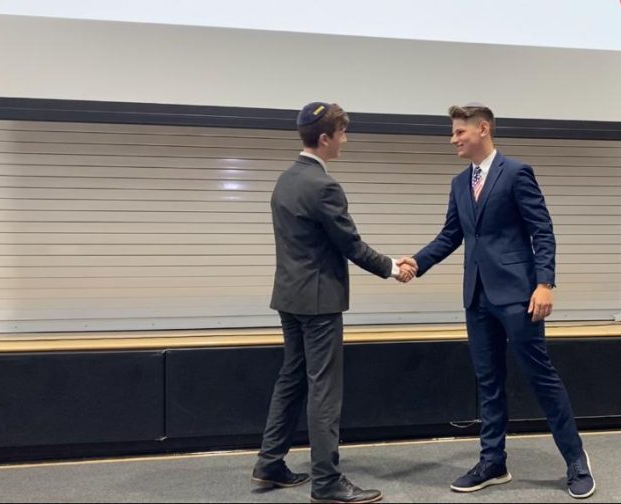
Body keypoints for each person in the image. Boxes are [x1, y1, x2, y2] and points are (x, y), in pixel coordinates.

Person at [406, 103, 596, 498]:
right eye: (453, 132)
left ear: (483, 129)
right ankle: (493, 462)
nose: (453, 139)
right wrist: (417, 262)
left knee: (541, 377)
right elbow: (450, 236)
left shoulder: (517, 173)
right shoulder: (460, 183)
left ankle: (576, 462)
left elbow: (542, 231)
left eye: (460, 131)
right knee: (488, 381)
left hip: (518, 296)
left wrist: (545, 283)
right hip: (476, 297)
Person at [251, 101, 414, 504]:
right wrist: (394, 267)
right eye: (341, 133)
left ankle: (270, 461)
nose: (345, 139)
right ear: (325, 139)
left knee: (291, 378)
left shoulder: (285, 180)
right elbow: (351, 246)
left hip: (289, 297)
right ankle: (326, 483)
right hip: (319, 303)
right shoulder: (323, 186)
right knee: (324, 389)